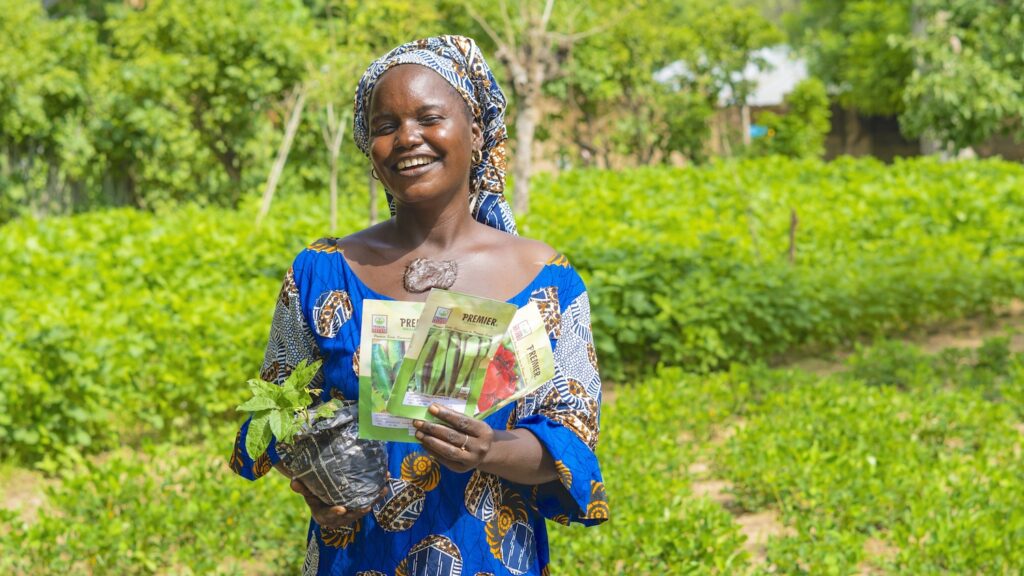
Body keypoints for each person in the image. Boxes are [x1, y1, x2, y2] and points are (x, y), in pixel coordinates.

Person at [229, 35, 607, 576]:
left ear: (475, 131)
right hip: (356, 558)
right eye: (386, 127)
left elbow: (570, 440)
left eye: (429, 118)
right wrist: (309, 477)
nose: (408, 138)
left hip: (490, 558)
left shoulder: (547, 284)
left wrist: (490, 450)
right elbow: (277, 415)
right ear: (369, 146)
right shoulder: (320, 272)